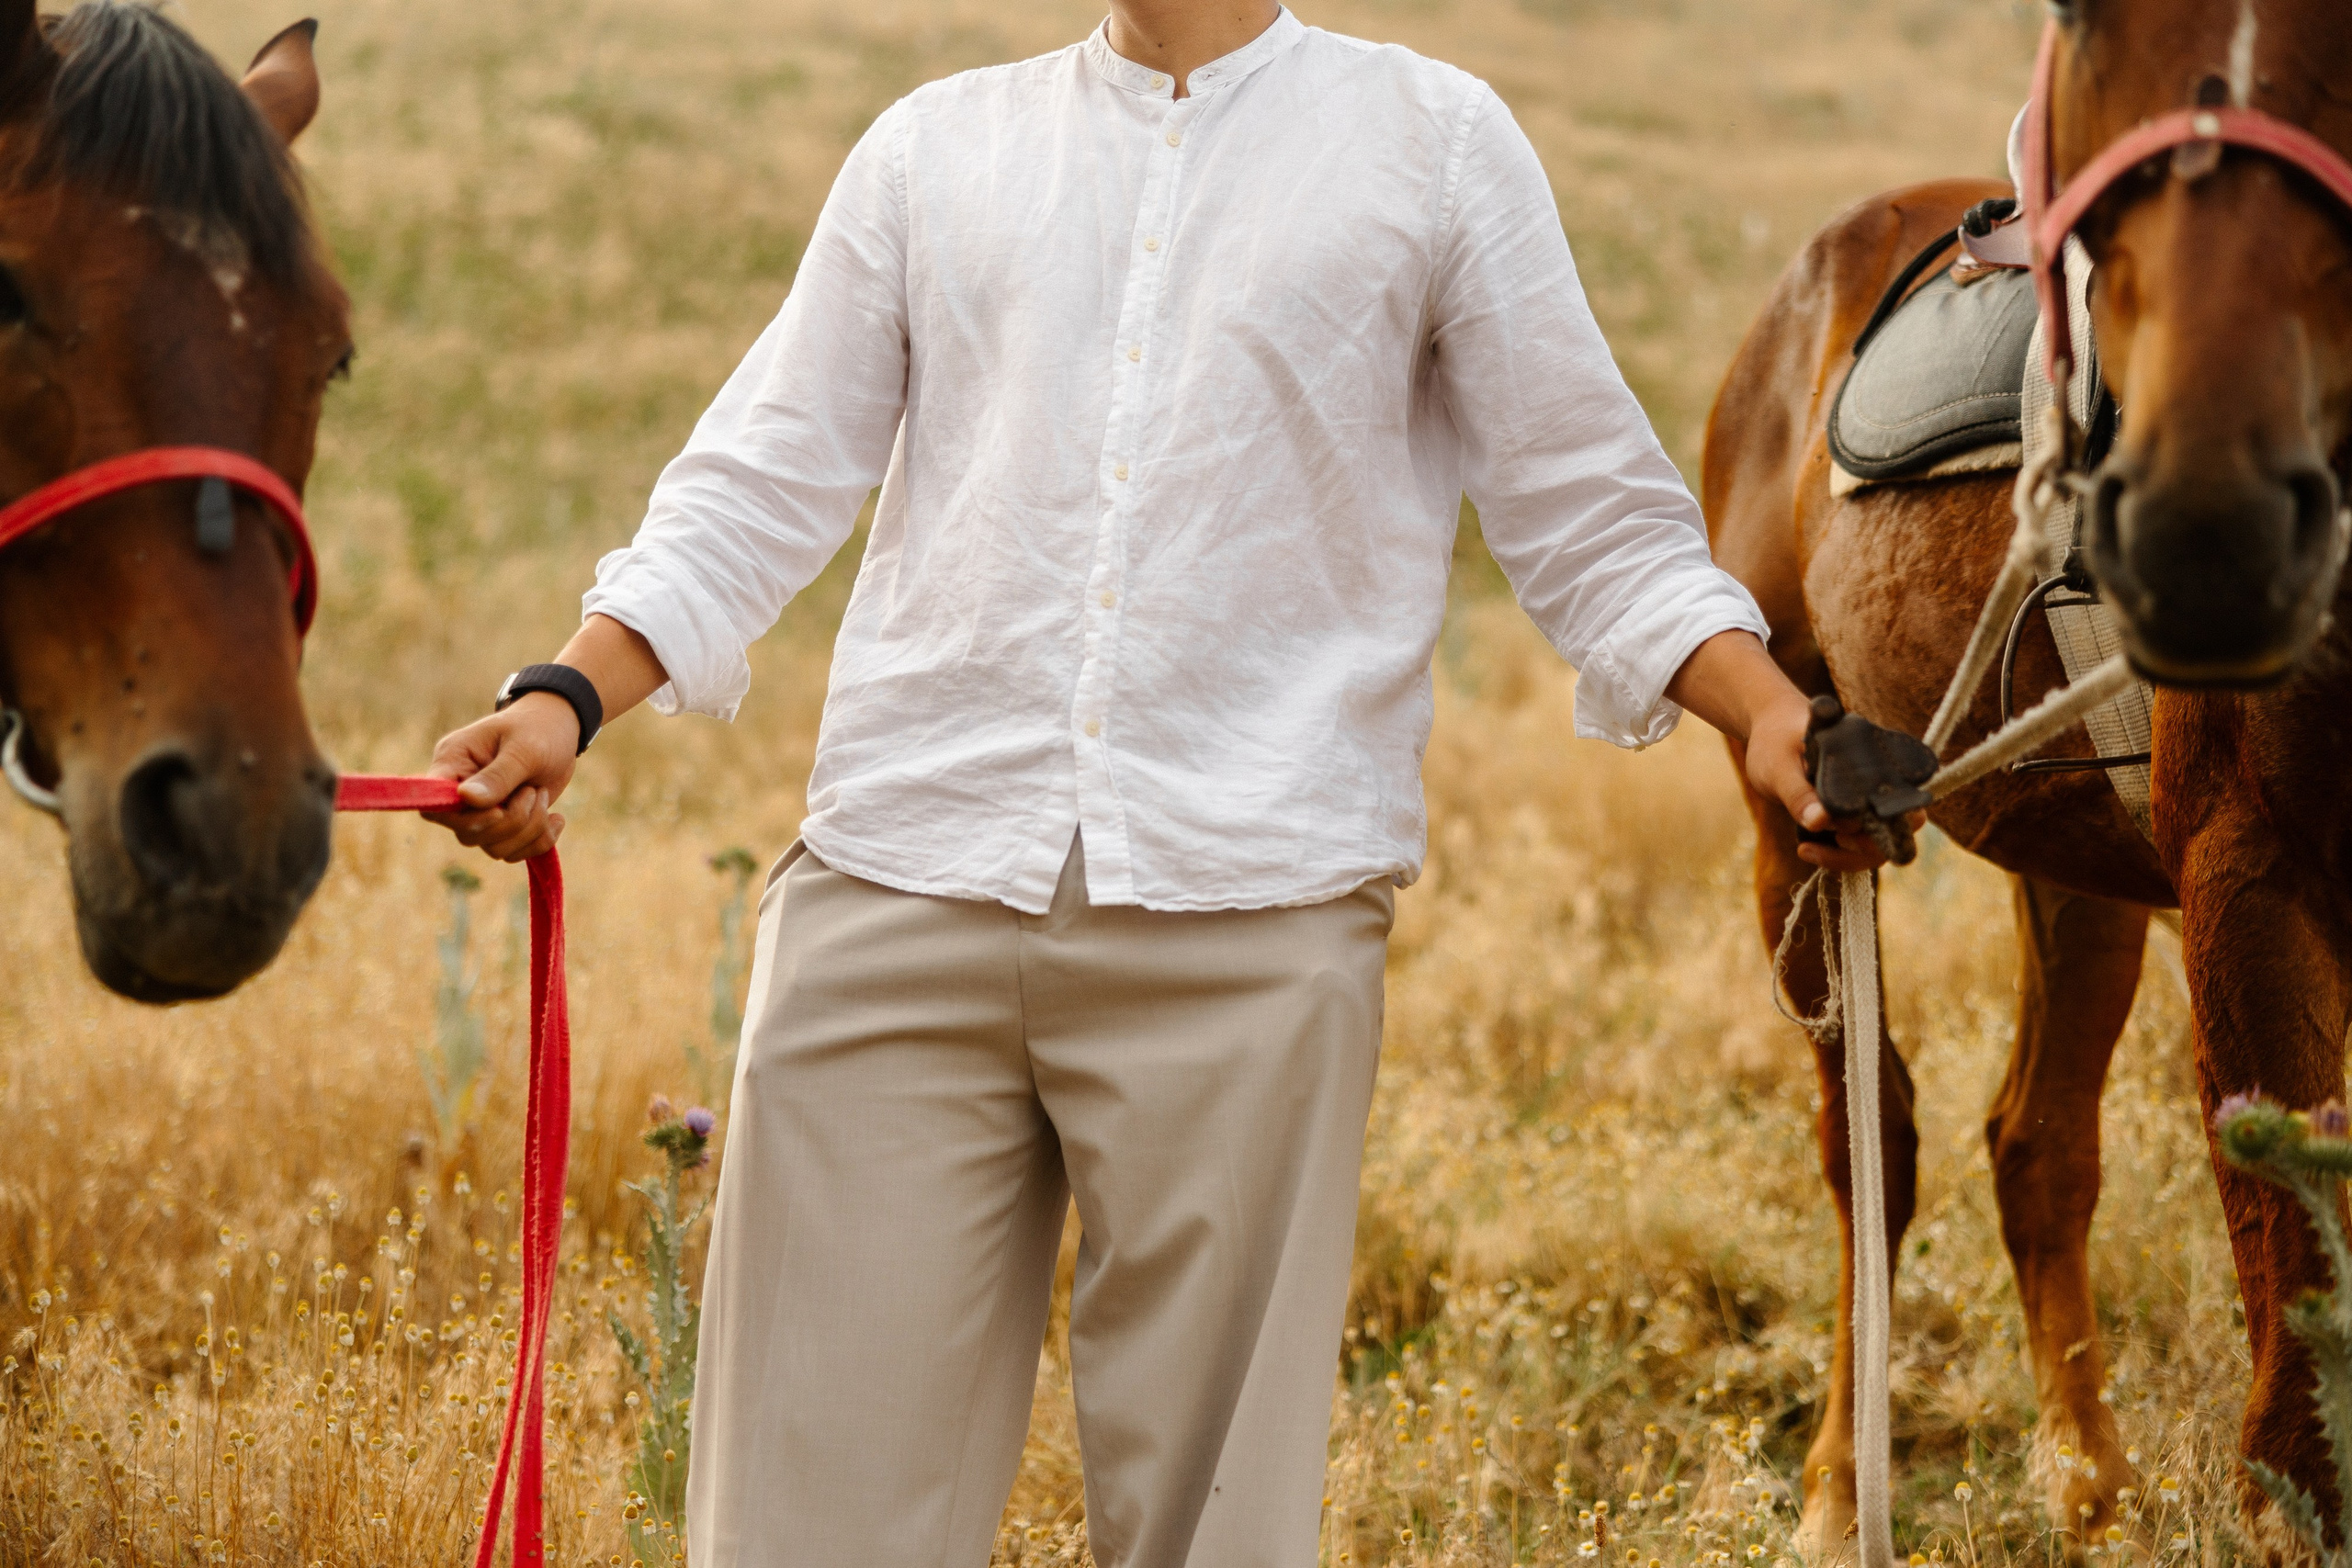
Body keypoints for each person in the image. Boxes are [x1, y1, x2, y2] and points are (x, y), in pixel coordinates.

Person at [424, 3, 1888, 1562]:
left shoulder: (1437, 145)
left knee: (1215, 1538)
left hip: (1253, 915)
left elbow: (1587, 507)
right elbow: (758, 479)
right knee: (798, 1523)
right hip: (896, 886)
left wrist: (1764, 709)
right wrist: (569, 694)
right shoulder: (932, 150)